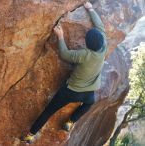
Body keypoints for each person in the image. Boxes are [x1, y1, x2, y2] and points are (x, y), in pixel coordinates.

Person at [21, 2, 107, 144]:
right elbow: (100, 27)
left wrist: (60, 37)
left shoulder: (84, 54)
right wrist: (91, 9)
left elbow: (65, 54)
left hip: (70, 91)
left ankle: (30, 135)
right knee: (89, 103)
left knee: (48, 111)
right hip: (88, 93)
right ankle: (70, 121)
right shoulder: (103, 46)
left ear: (88, 45)